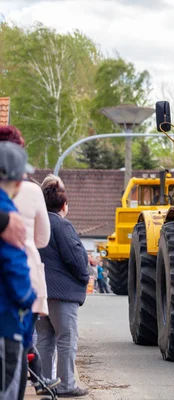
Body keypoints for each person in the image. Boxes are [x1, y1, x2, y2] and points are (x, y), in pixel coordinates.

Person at [0, 125, 61, 395]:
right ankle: (38, 380)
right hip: (19, 289)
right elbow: (42, 239)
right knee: (17, 355)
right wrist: (26, 295)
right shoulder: (25, 196)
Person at [37, 175, 89, 397]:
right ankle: (66, 385)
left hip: (39, 292)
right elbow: (75, 258)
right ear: (64, 205)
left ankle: (44, 383)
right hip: (62, 294)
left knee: (44, 340)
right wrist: (85, 276)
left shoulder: (34, 224)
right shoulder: (62, 224)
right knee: (66, 340)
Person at [0, 141, 37, 400]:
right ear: (16, 180)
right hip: (7, 322)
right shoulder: (8, 215)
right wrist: (28, 298)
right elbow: (14, 264)